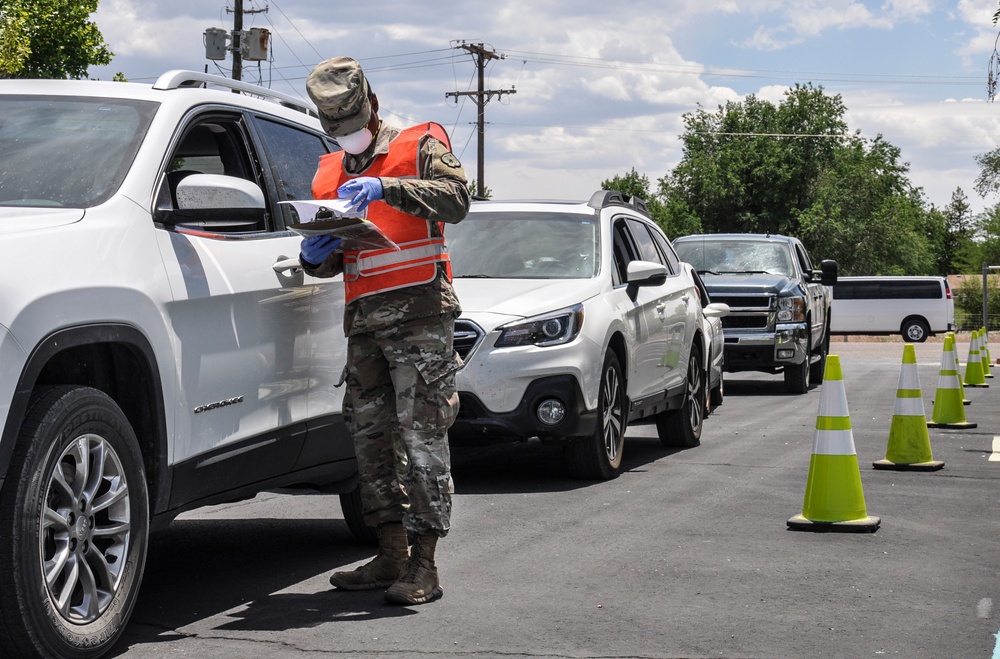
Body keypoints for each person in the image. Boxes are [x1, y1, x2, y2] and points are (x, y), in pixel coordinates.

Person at [299, 56, 470, 606]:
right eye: (336, 131)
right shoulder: (329, 171)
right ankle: (391, 553)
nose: (346, 138)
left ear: (371, 106)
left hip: (421, 314)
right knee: (371, 439)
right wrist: (314, 253)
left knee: (422, 435)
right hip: (365, 323)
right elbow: (334, 261)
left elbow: (458, 201)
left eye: (351, 126)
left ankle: (425, 564)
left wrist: (386, 190)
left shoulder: (419, 144)